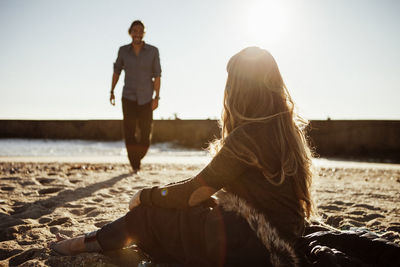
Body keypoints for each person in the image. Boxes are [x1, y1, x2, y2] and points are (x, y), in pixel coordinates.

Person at [51, 47, 314, 266]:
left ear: (240, 87)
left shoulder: (246, 136)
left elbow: (193, 192)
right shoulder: (288, 132)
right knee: (193, 212)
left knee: (148, 214)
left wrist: (145, 195)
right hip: (282, 243)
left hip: (256, 247)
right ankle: (98, 239)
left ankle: (85, 243)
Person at [110, 20, 162, 173]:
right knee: (129, 132)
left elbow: (157, 76)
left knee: (146, 134)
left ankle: (137, 158)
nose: (137, 33)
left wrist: (157, 97)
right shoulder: (123, 51)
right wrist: (112, 91)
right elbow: (117, 71)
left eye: (140, 30)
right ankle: (135, 165)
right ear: (130, 32)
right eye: (134, 30)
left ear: (144, 33)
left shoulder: (153, 51)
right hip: (128, 97)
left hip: (146, 98)